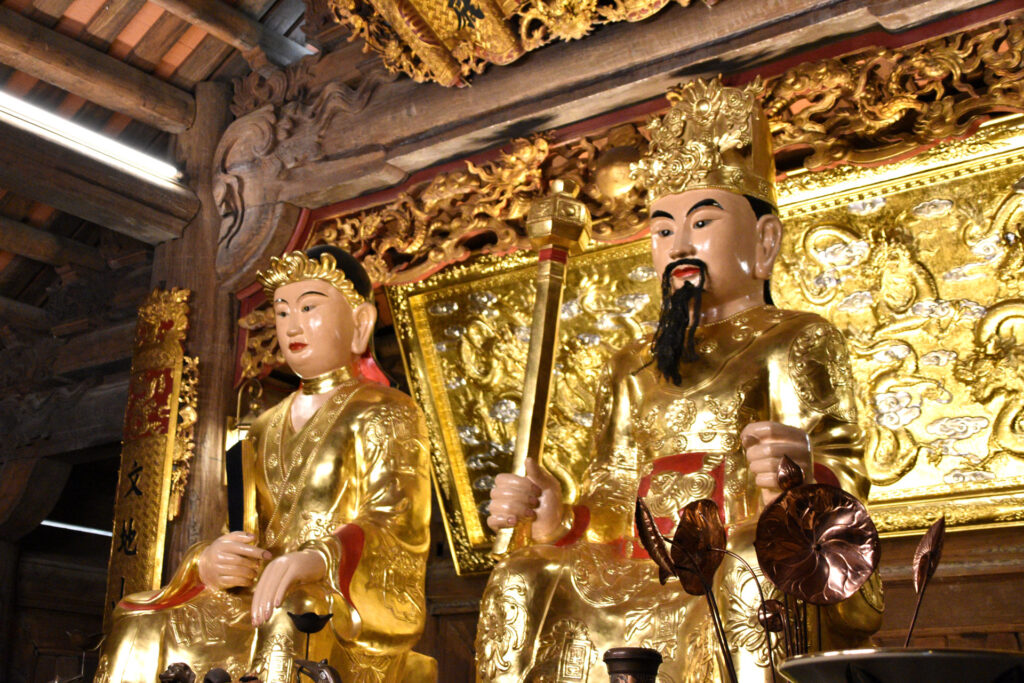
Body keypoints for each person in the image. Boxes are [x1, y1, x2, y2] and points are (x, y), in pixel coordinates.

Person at [476, 77, 883, 683]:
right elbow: (615, 487)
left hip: (733, 556)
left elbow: (843, 469)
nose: (679, 244)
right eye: (663, 230)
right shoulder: (633, 363)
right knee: (522, 577)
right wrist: (558, 518)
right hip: (641, 563)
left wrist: (797, 478)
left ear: (765, 243)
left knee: (750, 559)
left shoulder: (795, 338)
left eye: (702, 224)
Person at [96, 247, 435, 683]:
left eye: (310, 306)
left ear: (361, 322)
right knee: (137, 616)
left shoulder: (386, 410)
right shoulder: (260, 427)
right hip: (255, 596)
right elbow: (243, 532)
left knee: (294, 616)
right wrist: (212, 560)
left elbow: (396, 521)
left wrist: (317, 560)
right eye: (281, 311)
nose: (293, 325)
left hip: (335, 598)